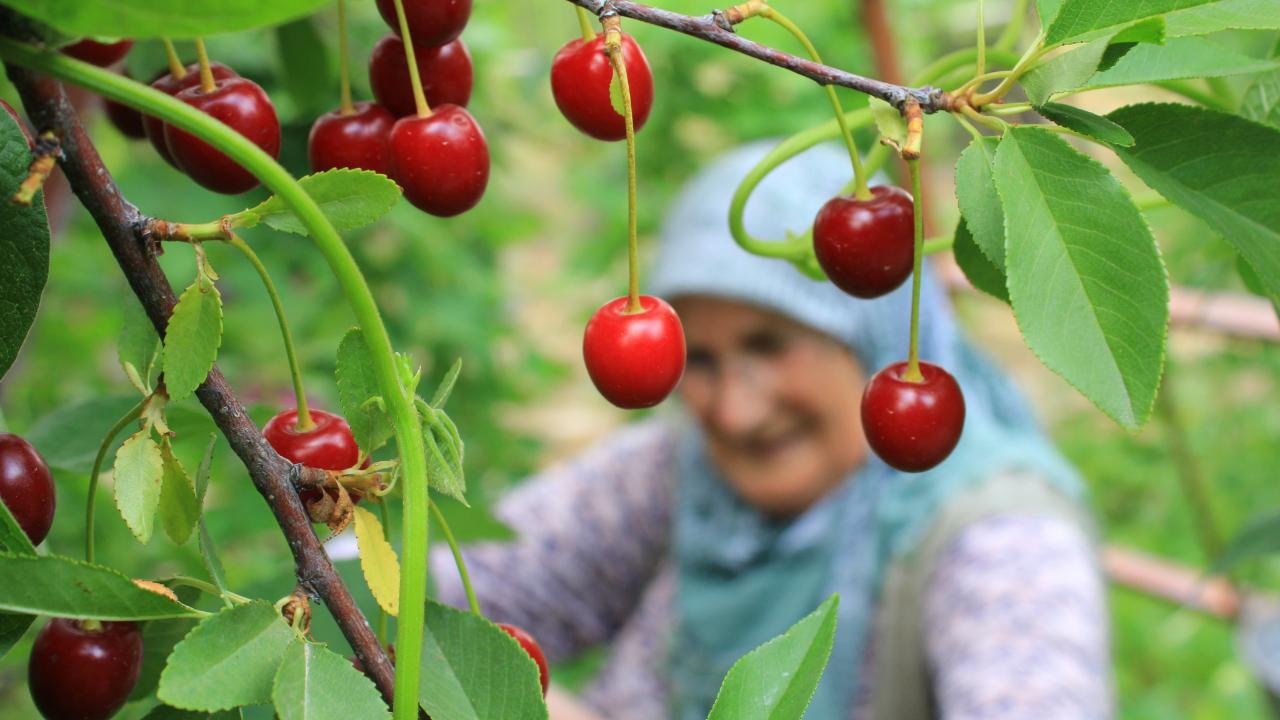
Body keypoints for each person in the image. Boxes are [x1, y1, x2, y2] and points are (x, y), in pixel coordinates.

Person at [430, 141, 1112, 719]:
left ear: (869, 338)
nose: (736, 411)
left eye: (769, 345)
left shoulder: (993, 537)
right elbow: (438, 595)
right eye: (698, 358)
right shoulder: (684, 473)